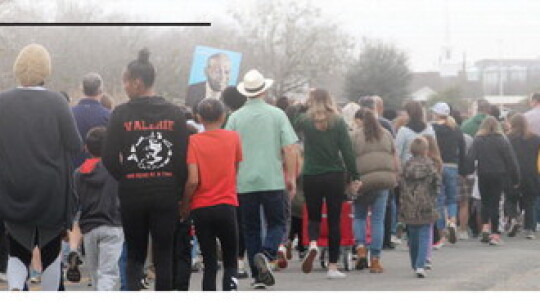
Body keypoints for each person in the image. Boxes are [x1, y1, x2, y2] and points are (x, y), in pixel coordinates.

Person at [102, 49, 189, 291]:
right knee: (163, 254)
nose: (125, 87)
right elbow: (183, 158)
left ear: (137, 83)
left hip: (133, 193)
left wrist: (128, 175)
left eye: (126, 82)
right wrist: (177, 189)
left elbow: (108, 157)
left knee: (135, 254)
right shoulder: (175, 114)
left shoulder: (120, 114)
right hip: (166, 192)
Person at [0, 44, 82, 291]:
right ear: (45, 69)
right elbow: (75, 144)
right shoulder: (56, 101)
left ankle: (15, 287)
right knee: (50, 251)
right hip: (51, 188)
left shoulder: (2, 101)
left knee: (17, 248)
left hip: (12, 186)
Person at [225, 69, 298, 289]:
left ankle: (258, 275)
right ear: (264, 90)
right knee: (278, 222)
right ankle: (267, 253)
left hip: (244, 181)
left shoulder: (235, 117)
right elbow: (290, 148)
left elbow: (228, 150)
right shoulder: (277, 115)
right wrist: (291, 176)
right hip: (272, 178)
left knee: (250, 228)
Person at [295, 88, 360, 279]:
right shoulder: (338, 122)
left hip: (311, 174)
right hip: (334, 175)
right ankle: (332, 266)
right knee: (334, 220)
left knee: (313, 215)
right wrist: (355, 175)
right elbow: (347, 150)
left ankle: (313, 243)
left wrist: (302, 105)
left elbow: (293, 121)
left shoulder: (305, 121)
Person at [180, 98, 241, 291]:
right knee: (231, 259)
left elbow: (193, 180)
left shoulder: (194, 141)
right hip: (227, 203)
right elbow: (235, 166)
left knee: (210, 262)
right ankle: (230, 289)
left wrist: (185, 204)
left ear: (199, 117)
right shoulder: (233, 138)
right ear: (224, 116)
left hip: (202, 207)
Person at [67, 72, 111, 283]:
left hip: (75, 171)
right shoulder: (107, 115)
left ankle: (72, 248)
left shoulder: (69, 113)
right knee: (99, 216)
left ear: (82, 89)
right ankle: (98, 267)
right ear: (100, 89)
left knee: (76, 214)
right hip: (102, 173)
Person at [74, 127, 123, 290]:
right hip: (113, 224)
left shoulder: (79, 173)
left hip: (89, 227)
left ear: (86, 148)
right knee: (108, 274)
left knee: (95, 275)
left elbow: (76, 202)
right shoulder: (116, 169)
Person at [351, 108, 398, 273]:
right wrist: (395, 176)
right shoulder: (386, 134)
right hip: (383, 182)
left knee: (359, 216)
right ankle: (376, 260)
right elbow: (394, 156)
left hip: (362, 182)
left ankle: (361, 247)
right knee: (378, 220)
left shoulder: (355, 135)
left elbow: (349, 158)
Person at [465, 116, 520, 245]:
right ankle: (495, 234)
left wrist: (468, 171)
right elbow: (511, 161)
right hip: (499, 174)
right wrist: (515, 178)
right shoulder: (502, 140)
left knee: (484, 202)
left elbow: (471, 157)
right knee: (495, 203)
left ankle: (485, 227)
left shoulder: (478, 140)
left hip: (483, 173)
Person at [399, 137, 440, 278]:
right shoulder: (430, 166)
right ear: (426, 150)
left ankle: (414, 261)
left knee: (412, 236)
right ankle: (420, 265)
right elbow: (437, 184)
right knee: (424, 235)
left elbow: (401, 184)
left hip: (409, 204)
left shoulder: (406, 165)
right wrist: (434, 196)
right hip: (426, 203)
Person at [430, 102, 466, 245]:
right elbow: (462, 150)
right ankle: (452, 220)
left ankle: (441, 232)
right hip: (453, 166)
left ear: (435, 113)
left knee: (439, 199)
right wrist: (463, 169)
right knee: (452, 198)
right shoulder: (456, 129)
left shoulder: (432, 129)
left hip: (437, 165)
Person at [506, 114, 540, 239]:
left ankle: (514, 218)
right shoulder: (536, 139)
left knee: (510, 199)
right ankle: (530, 230)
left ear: (511, 124)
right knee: (530, 202)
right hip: (531, 173)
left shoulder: (507, 138)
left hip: (512, 174)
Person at [396, 101, 436, 166]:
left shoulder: (403, 131)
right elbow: (434, 150)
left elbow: (397, 153)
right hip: (426, 168)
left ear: (409, 113)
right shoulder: (429, 129)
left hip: (408, 169)